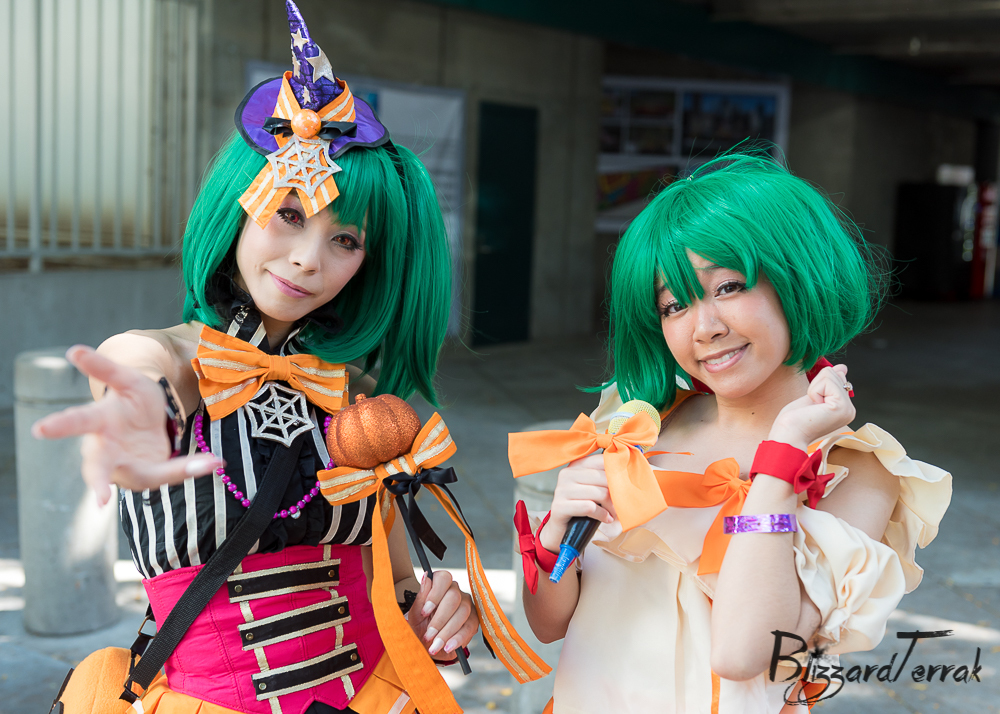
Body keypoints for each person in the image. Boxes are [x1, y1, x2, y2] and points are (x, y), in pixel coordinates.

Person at [33, 3, 548, 713]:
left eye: (346, 240)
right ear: (239, 207)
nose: (309, 259)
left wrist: (435, 611)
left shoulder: (355, 396)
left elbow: (397, 581)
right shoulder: (163, 358)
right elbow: (137, 381)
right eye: (290, 215)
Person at [511, 151, 952, 713]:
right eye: (674, 305)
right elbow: (549, 623)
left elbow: (745, 653)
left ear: (798, 278)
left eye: (728, 287)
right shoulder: (638, 427)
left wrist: (782, 457)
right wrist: (555, 536)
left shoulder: (855, 471)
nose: (705, 328)